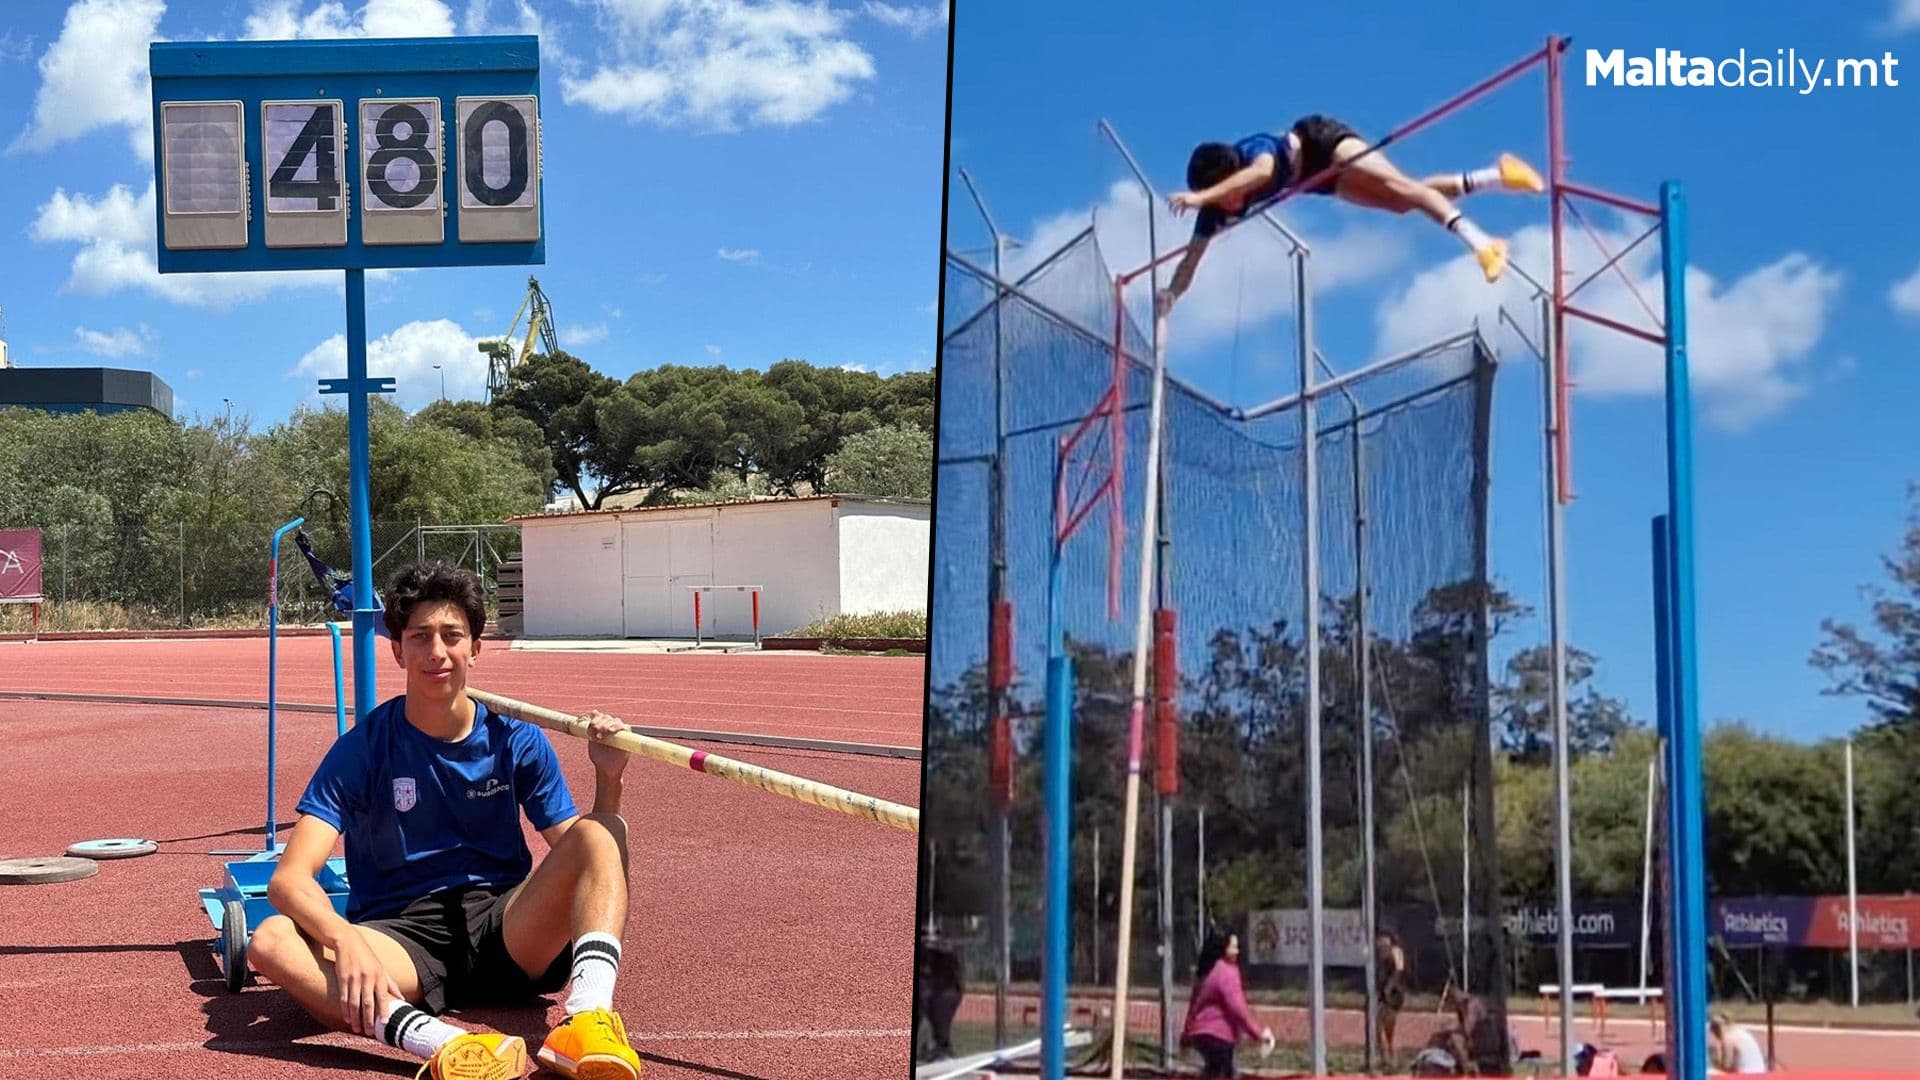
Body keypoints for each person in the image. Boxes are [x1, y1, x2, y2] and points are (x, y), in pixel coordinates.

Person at [246, 560, 645, 1080]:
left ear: (475, 649)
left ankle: (588, 1016)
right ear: (398, 650)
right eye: (420, 636)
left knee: (603, 830)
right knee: (272, 940)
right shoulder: (363, 749)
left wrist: (609, 779)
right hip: (402, 939)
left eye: (452, 636)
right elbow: (289, 880)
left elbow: (593, 862)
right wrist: (344, 939)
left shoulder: (516, 738)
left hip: (507, 927)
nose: (436, 652)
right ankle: (448, 1045)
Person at [1157, 116, 1545, 317]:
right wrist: (1171, 295)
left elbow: (1261, 173)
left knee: (1403, 188)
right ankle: (1498, 175)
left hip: (1322, 143)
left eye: (1228, 194)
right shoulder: (1214, 212)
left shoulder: (1251, 152)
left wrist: (1199, 197)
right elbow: (1190, 262)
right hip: (1316, 181)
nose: (1230, 203)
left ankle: (1482, 244)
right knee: (1402, 201)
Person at [1179, 930, 1275, 1078]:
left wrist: (1186, 1035)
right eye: (1233, 947)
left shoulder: (1206, 971)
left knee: (1215, 1071)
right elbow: (1238, 1008)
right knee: (1222, 1072)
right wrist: (1258, 1034)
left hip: (1201, 1036)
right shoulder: (1227, 972)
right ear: (1223, 949)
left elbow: (1194, 1007)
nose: (1237, 952)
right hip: (1219, 1037)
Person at [1374, 930, 1408, 1067]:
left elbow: (1398, 970)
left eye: (1383, 938)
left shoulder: (1396, 951)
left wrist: (1389, 987)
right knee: (1377, 1027)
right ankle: (1384, 1057)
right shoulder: (1380, 954)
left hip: (1393, 993)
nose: (1380, 941)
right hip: (1383, 993)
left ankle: (1392, 1057)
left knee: (1389, 1028)